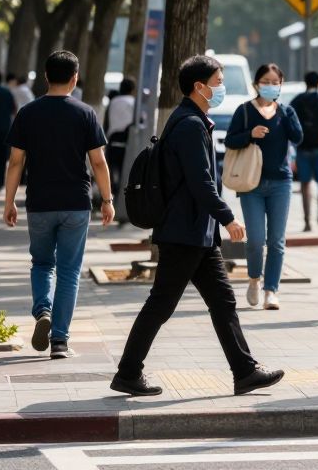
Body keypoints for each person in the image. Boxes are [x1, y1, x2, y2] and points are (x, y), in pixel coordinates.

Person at [111, 55, 284, 398]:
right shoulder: (189, 124)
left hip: (196, 233)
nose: (221, 87)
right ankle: (128, 372)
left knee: (222, 301)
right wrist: (228, 217)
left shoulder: (192, 120)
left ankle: (245, 371)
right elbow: (199, 182)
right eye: (218, 82)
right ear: (199, 87)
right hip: (185, 232)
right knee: (161, 303)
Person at [3, 50, 115, 359]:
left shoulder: (28, 113)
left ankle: (42, 311)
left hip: (39, 203)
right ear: (75, 78)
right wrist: (106, 199)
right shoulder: (85, 113)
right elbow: (99, 162)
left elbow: (15, 162)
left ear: (46, 76)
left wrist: (8, 201)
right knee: (69, 271)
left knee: (41, 263)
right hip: (76, 204)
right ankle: (61, 341)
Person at [225, 63, 302, 311]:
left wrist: (286, 115)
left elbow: (298, 137)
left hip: (280, 181)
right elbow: (230, 141)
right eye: (265, 82)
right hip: (251, 183)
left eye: (275, 82)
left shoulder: (286, 111)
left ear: (281, 84)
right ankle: (254, 279)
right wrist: (251, 134)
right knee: (256, 240)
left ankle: (271, 290)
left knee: (277, 241)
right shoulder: (244, 111)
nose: (270, 86)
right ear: (256, 84)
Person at [290, 71, 318, 231]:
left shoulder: (298, 100)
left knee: (305, 185)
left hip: (302, 147)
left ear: (305, 82)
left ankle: (307, 221)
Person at [104, 78, 136, 198]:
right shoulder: (134, 102)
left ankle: (112, 194)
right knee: (125, 173)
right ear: (133, 90)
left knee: (112, 171)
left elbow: (107, 123)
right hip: (126, 142)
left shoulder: (113, 102)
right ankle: (122, 198)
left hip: (112, 140)